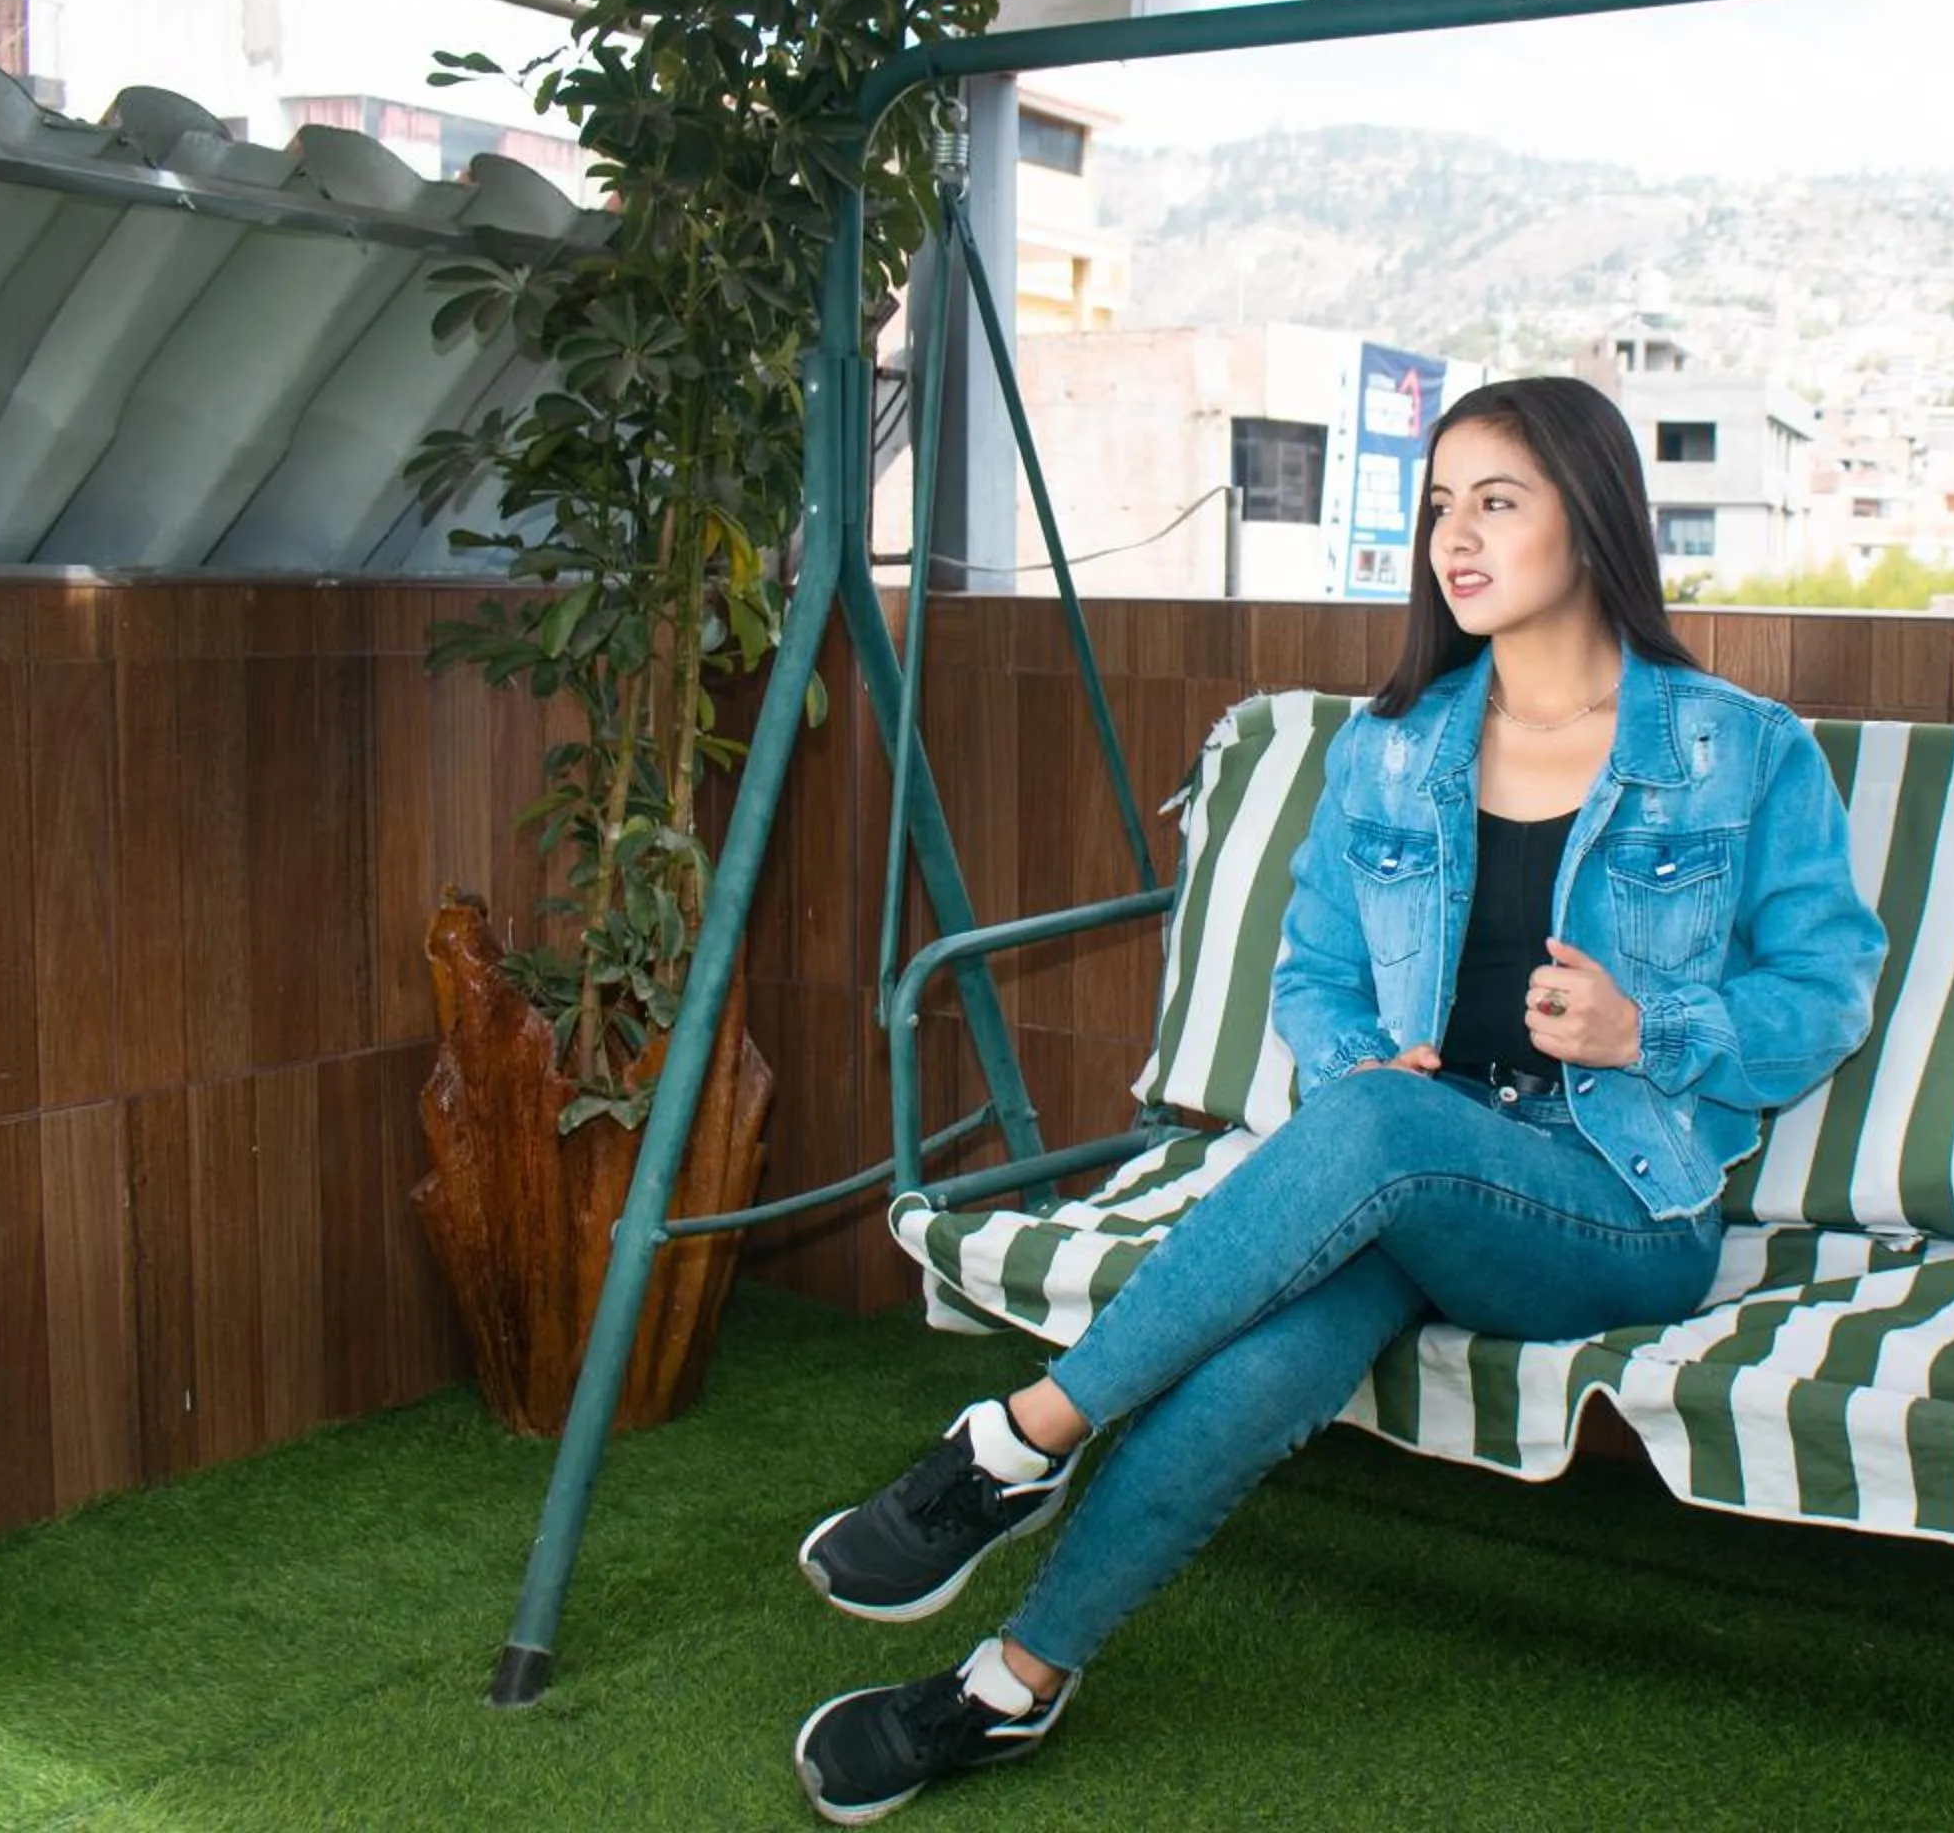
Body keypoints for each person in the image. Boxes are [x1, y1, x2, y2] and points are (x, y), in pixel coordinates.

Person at [789, 375, 1889, 1826]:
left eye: (1498, 500)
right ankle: (1012, 1685)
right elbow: (1311, 978)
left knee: (1366, 1135)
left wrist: (1647, 1027)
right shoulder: (1392, 747)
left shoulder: (1738, 748)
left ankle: (1022, 1440)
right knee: (1268, 1350)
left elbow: (1825, 992)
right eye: (1440, 505)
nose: (1456, 536)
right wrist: (1362, 1052)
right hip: (1412, 1180)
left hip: (1614, 1205)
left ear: (1594, 515)